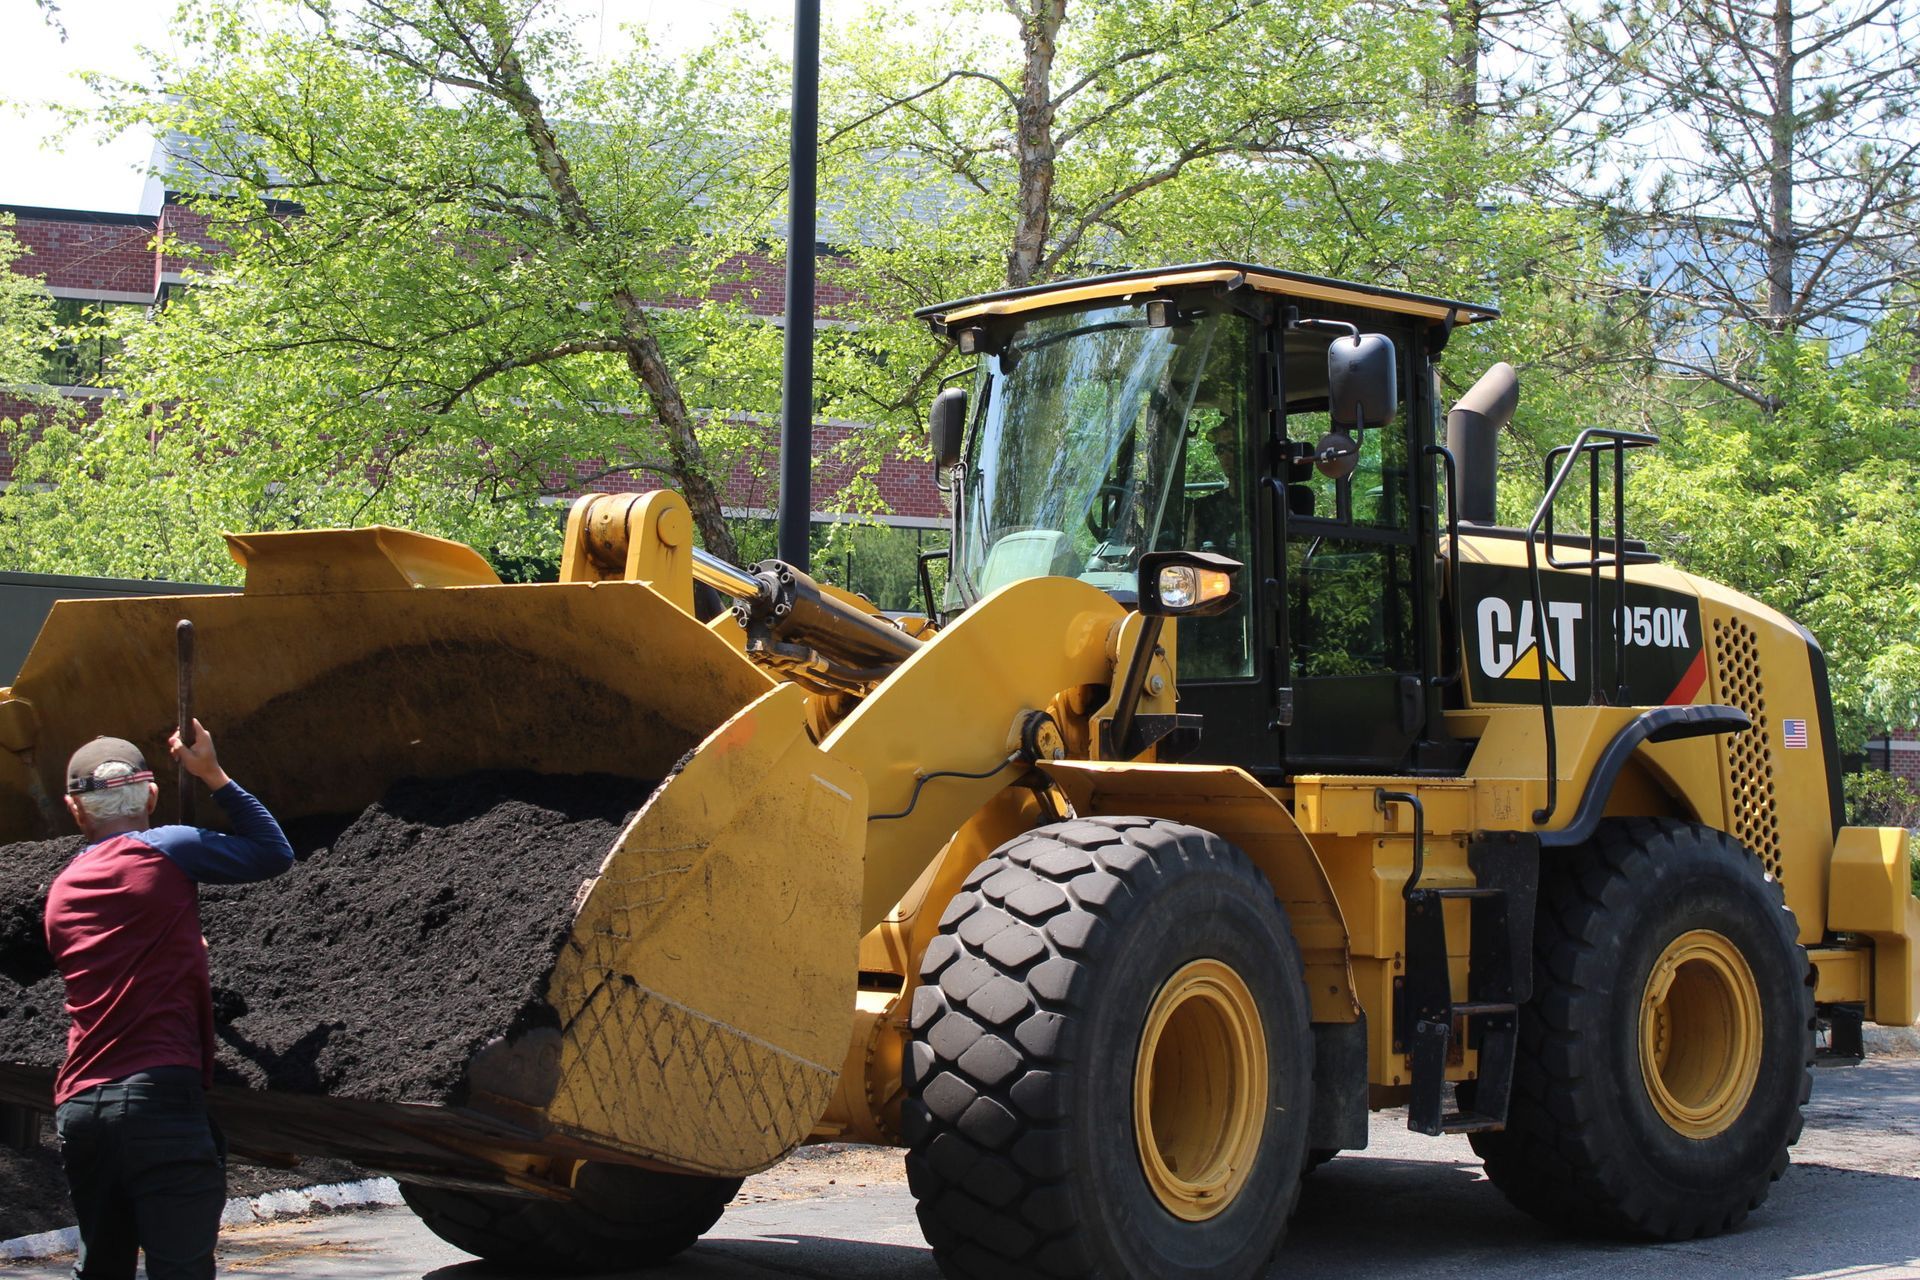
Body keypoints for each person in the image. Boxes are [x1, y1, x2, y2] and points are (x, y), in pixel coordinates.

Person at [45, 722, 296, 1280]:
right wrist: (211, 773)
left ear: (74, 809)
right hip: (158, 1102)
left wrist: (183, 945)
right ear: (152, 796)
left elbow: (118, 955)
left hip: (80, 1110)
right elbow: (273, 853)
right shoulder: (169, 847)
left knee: (101, 1269)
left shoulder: (61, 891)